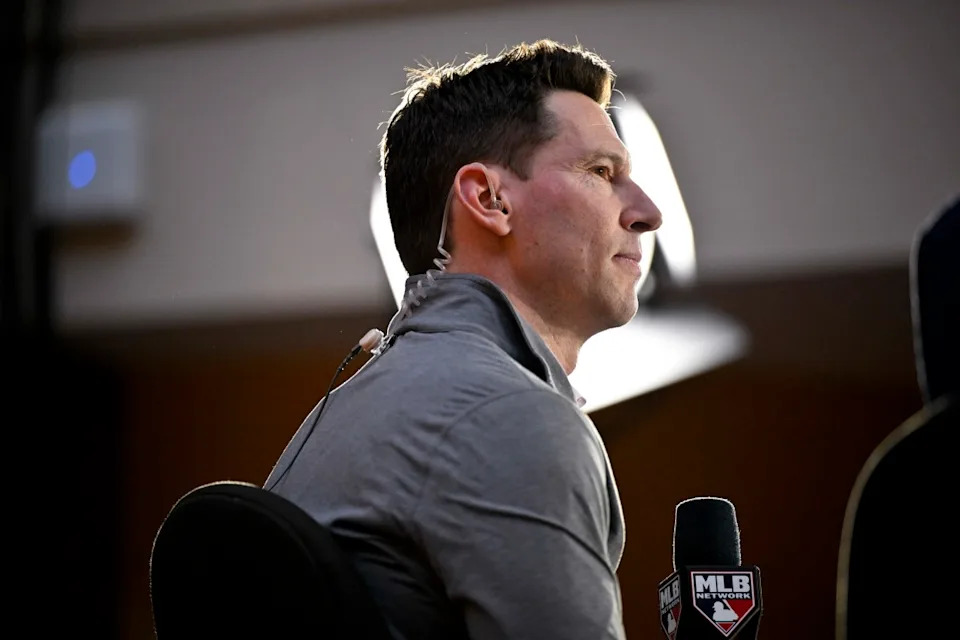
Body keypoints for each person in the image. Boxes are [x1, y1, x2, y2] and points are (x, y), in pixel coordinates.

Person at [265, 39, 662, 639]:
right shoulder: (508, 416)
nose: (647, 211)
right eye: (602, 172)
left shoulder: (340, 415)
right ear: (489, 199)